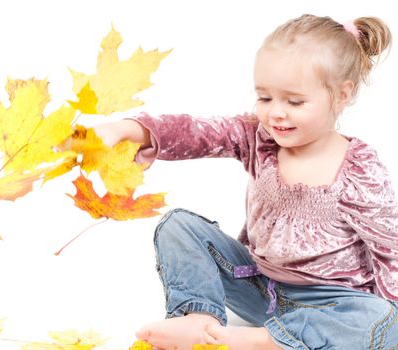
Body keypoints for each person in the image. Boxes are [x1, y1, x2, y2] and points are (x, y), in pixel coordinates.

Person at [94, 15, 398, 349]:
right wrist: (129, 130)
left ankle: (260, 341)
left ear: (341, 96)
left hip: (331, 304)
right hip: (258, 286)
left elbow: (390, 251)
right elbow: (197, 132)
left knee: (380, 318)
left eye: (294, 101)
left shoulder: (359, 169)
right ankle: (200, 320)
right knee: (178, 226)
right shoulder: (259, 138)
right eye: (265, 98)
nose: (276, 113)